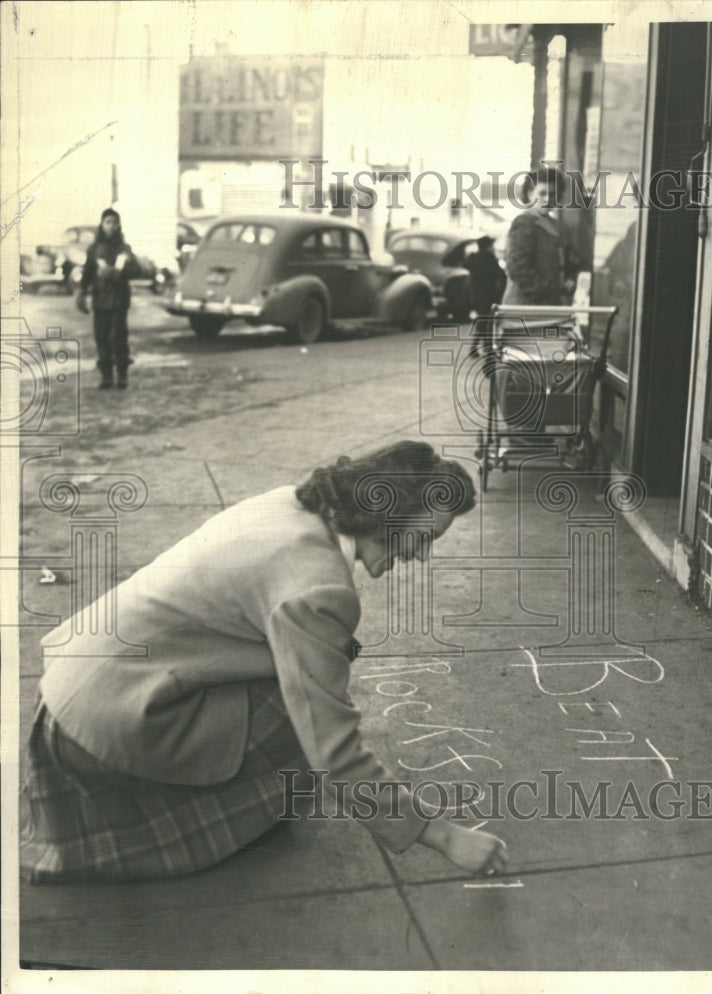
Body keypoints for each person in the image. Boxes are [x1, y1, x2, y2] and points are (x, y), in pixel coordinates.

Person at [21, 441, 509, 883]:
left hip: (76, 691)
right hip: (104, 730)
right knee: (308, 715)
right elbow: (335, 755)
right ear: (390, 512)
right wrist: (444, 837)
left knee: (306, 683)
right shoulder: (319, 589)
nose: (423, 557)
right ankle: (207, 821)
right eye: (425, 536)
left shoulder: (296, 504)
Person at [75, 207, 139, 390]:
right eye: (108, 222)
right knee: (101, 338)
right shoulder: (94, 250)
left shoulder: (124, 249)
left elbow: (137, 271)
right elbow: (87, 273)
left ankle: (122, 375)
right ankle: (106, 376)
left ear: (119, 226)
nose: (111, 226)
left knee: (118, 338)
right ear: (102, 225)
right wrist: (81, 293)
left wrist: (117, 272)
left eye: (114, 222)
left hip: (119, 301)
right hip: (100, 300)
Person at [501, 165, 580, 307]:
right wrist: (546, 291)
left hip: (552, 305)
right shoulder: (524, 224)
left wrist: (570, 279)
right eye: (542, 193)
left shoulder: (559, 227)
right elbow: (518, 268)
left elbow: (571, 261)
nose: (548, 198)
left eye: (553, 193)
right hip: (525, 307)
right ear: (530, 194)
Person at [464, 235, 507, 360]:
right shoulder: (489, 259)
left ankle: (478, 348)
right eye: (491, 246)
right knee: (486, 322)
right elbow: (500, 275)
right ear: (487, 247)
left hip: (476, 295)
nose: (493, 248)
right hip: (488, 295)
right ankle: (485, 348)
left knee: (483, 321)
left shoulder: (473, 259)